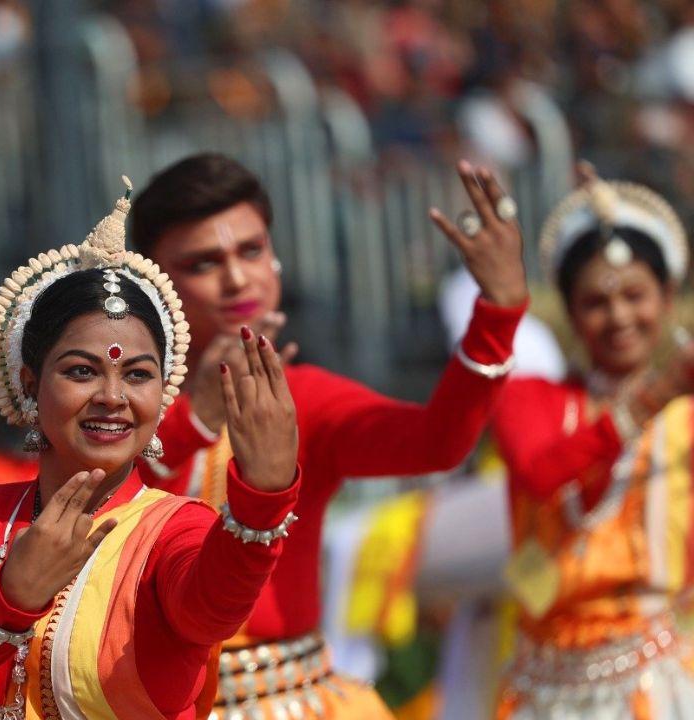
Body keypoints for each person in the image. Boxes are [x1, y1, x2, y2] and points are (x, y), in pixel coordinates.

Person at [128, 153, 529, 718]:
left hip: (298, 702)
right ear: (155, 281)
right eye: (203, 263)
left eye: (251, 251)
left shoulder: (303, 399)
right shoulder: (119, 402)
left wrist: (497, 316)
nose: (237, 278)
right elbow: (103, 507)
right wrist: (196, 418)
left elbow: (435, 441)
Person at [0, 181, 301, 718]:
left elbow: (214, 610)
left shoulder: (176, 532)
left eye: (137, 374)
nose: (112, 397)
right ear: (30, 383)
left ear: (162, 392)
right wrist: (8, 601)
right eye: (82, 371)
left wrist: (263, 499)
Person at [490, 165, 694, 718]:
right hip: (541, 687)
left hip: (655, 684)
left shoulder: (686, 416)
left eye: (635, 295)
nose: (619, 316)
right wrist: (652, 398)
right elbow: (539, 473)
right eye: (596, 302)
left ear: (667, 297)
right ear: (570, 312)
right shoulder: (530, 398)